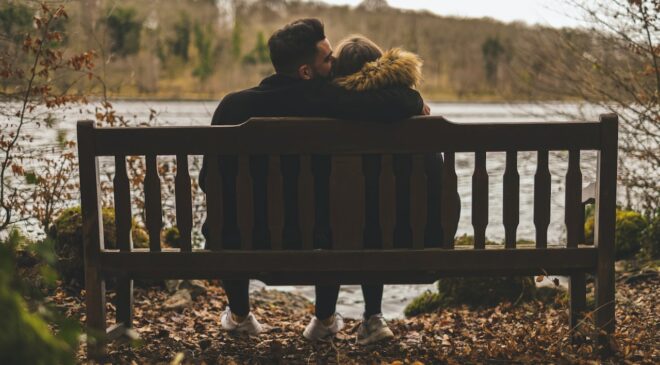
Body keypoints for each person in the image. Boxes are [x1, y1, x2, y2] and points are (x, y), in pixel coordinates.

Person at [199, 19, 427, 342]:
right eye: (328, 58)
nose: (334, 64)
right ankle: (327, 317)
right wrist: (417, 102)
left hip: (239, 238)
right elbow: (399, 100)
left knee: (230, 217)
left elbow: (208, 181)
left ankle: (238, 315)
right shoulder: (330, 102)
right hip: (317, 238)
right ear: (306, 72)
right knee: (331, 214)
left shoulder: (232, 106)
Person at [327, 35, 428, 345]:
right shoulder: (408, 105)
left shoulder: (327, 105)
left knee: (346, 215)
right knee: (377, 215)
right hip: (411, 234)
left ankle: (324, 316)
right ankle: (374, 316)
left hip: (330, 234)